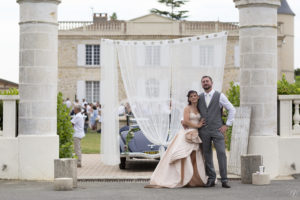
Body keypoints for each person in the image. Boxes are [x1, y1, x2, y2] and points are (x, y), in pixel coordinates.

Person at [145, 90, 207, 188]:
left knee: (194, 157)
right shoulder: (187, 108)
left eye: (195, 95)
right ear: (189, 99)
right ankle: (181, 178)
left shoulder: (200, 109)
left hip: (196, 135)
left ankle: (192, 179)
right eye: (192, 96)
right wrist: (198, 125)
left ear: (198, 97)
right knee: (183, 156)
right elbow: (186, 121)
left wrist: (201, 125)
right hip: (187, 134)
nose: (194, 97)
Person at [191, 76, 236, 189]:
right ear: (202, 84)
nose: (205, 83)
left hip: (217, 129)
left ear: (212, 83)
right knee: (207, 154)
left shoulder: (220, 96)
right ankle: (211, 178)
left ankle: (224, 180)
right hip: (204, 130)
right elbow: (190, 108)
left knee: (221, 153)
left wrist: (227, 125)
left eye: (207, 81)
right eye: (203, 82)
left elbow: (232, 109)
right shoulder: (199, 97)